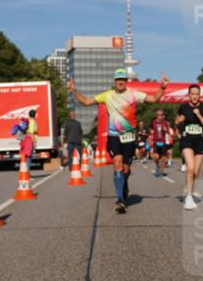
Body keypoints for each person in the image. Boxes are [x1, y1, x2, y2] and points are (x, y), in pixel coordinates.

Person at [69, 68, 168, 213]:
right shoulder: (107, 95)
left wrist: (163, 87)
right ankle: (121, 200)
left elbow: (154, 99)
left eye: (123, 79)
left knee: (126, 169)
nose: (121, 82)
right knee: (117, 163)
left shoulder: (133, 94)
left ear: (126, 81)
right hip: (114, 136)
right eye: (118, 79)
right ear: (115, 81)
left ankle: (124, 185)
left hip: (129, 137)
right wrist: (74, 91)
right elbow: (86, 101)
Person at [176, 84, 203, 210]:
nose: (195, 96)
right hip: (187, 140)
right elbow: (177, 121)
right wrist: (179, 120)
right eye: (192, 94)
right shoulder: (183, 107)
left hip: (200, 141)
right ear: (189, 94)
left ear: (199, 95)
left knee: (196, 172)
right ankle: (189, 197)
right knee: (190, 168)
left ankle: (189, 189)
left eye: (197, 94)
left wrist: (199, 115)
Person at [149, 109, 173, 177]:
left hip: (163, 142)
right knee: (156, 157)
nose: (160, 116)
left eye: (161, 115)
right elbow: (150, 128)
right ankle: (157, 165)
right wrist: (151, 131)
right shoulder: (153, 122)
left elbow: (169, 131)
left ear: (163, 116)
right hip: (156, 141)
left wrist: (166, 130)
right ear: (156, 116)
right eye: (158, 115)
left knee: (163, 158)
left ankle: (162, 171)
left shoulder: (165, 123)